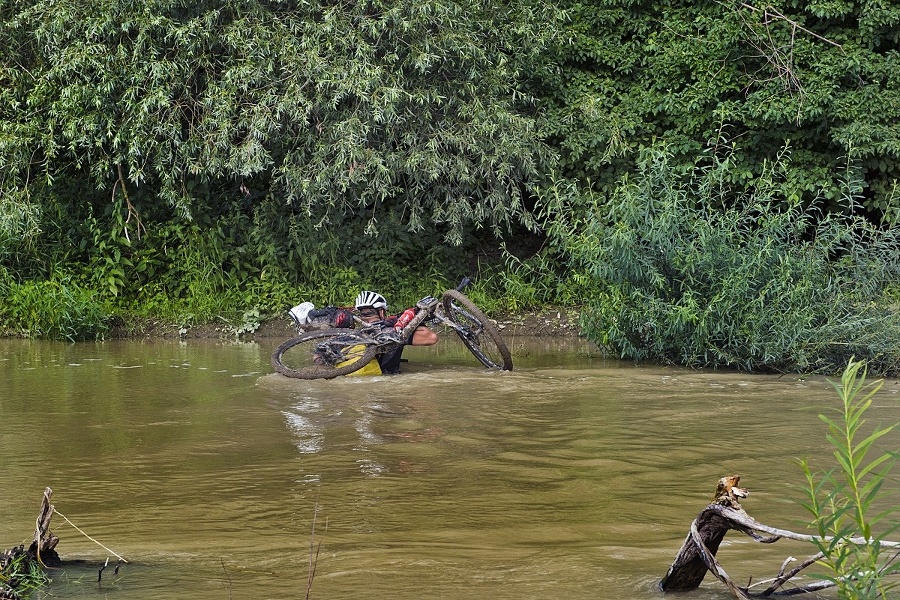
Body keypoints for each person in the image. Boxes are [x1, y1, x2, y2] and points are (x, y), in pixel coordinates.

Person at [354, 290, 438, 375]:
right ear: (381, 312)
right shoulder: (392, 332)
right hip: (388, 378)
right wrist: (412, 323)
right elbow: (431, 338)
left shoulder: (357, 334)